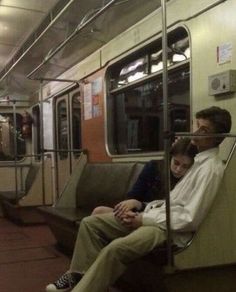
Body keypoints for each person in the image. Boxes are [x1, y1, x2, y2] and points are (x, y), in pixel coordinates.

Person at [46, 106, 232, 292]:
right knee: (90, 224)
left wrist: (143, 219)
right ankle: (79, 277)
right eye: (196, 125)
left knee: (116, 249)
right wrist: (144, 210)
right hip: (156, 218)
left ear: (218, 137)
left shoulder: (210, 170)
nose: (196, 132)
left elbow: (189, 218)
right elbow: (171, 203)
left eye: (204, 130)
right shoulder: (198, 162)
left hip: (168, 231)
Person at [92, 137, 198, 216]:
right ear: (170, 157)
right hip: (138, 212)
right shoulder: (153, 167)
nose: (178, 169)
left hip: (156, 218)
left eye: (185, 166)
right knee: (99, 211)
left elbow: (170, 209)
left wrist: (140, 205)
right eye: (176, 163)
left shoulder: (189, 180)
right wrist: (131, 208)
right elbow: (134, 195)